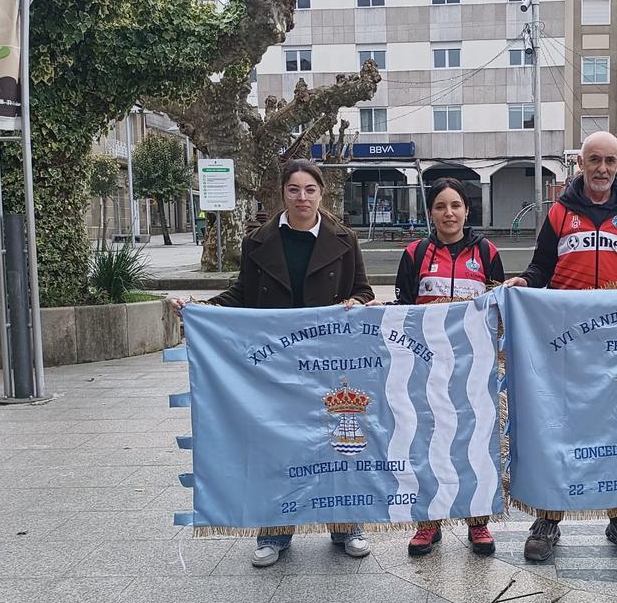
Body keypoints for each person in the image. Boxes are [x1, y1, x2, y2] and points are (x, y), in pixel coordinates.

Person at [171, 159, 375, 567]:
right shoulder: (258, 241)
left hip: (327, 359)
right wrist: (200, 308)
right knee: (277, 445)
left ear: (321, 193)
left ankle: (346, 526)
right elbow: (242, 293)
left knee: (334, 444)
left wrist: (356, 302)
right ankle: (274, 531)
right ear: (283, 193)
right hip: (276, 363)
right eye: (294, 189)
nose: (302, 197)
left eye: (310, 189)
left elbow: (364, 290)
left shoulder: (344, 238)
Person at [505, 130, 617, 563]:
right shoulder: (560, 212)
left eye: (610, 161)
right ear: (580, 163)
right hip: (565, 342)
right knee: (557, 425)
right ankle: (547, 518)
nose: (602, 168)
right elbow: (542, 267)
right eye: (594, 159)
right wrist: (524, 282)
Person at [394, 178, 506, 558]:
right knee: (428, 442)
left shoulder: (487, 252)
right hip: (427, 367)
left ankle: (478, 520)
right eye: (440, 206)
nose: (449, 213)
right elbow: (402, 311)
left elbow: (499, 309)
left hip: (474, 369)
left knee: (475, 442)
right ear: (431, 213)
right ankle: (429, 521)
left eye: (455, 205)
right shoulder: (415, 253)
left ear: (466, 210)